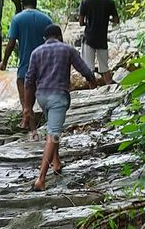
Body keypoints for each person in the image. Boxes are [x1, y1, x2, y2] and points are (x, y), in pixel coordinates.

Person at [23, 23, 98, 191]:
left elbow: (29, 80)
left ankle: (56, 162)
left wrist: (27, 107)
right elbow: (84, 69)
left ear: (45, 39)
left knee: (52, 128)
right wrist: (93, 82)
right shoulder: (67, 49)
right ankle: (41, 179)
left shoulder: (36, 52)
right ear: (60, 36)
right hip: (58, 96)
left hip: (41, 96)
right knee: (53, 134)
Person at [1, 0, 53, 129]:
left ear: (23, 4)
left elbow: (11, 43)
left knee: (23, 87)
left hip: (25, 65)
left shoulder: (17, 19)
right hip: (44, 65)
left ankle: (26, 117)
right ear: (35, 3)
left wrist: (4, 61)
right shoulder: (46, 19)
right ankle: (38, 121)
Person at [78, 0, 120, 84]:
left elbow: (81, 22)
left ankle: (93, 90)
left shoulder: (85, 2)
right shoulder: (109, 2)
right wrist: (107, 19)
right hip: (102, 38)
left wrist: (88, 22)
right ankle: (110, 89)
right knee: (105, 68)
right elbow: (116, 20)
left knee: (89, 69)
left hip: (89, 38)